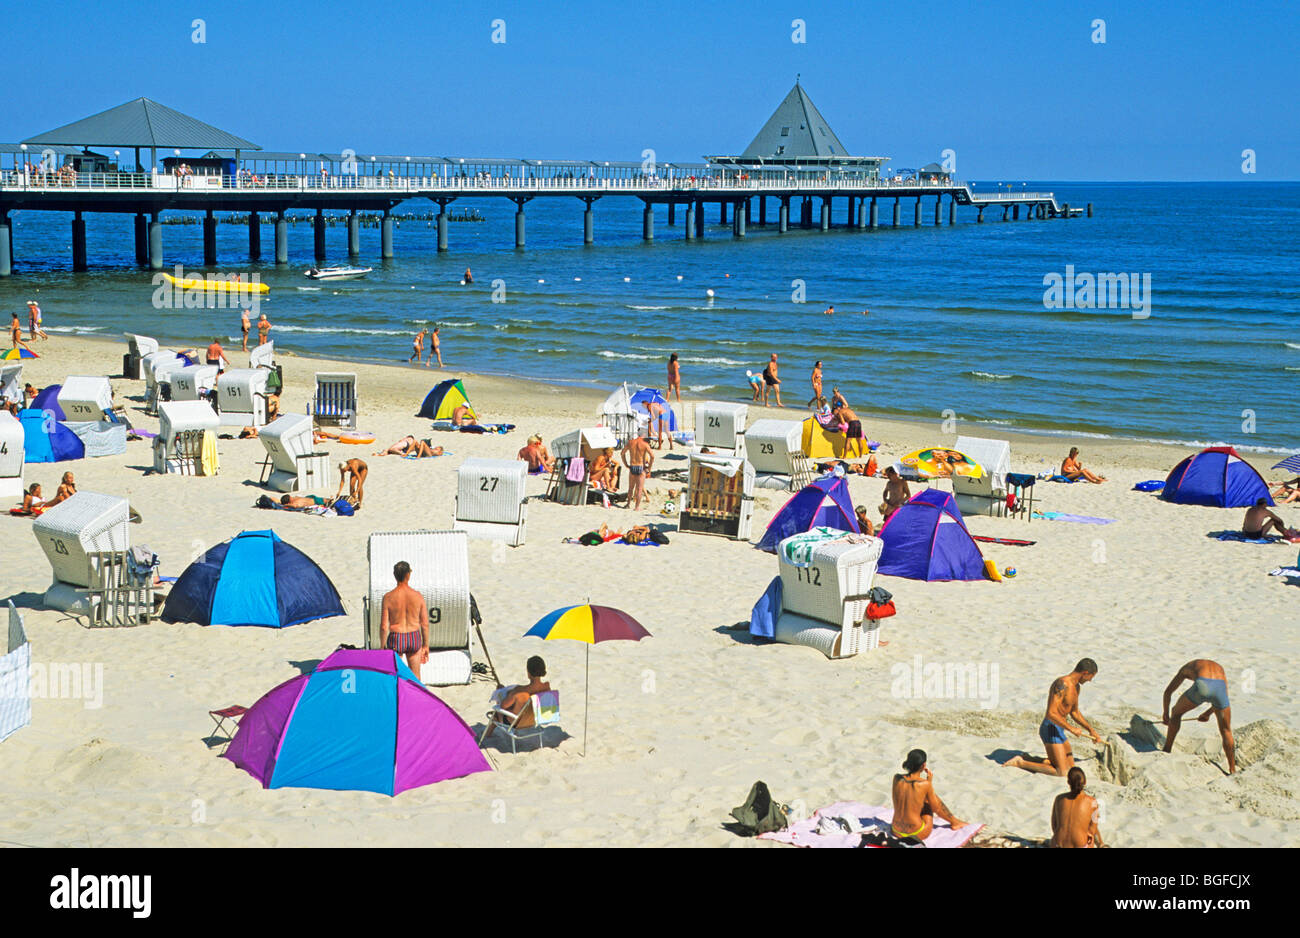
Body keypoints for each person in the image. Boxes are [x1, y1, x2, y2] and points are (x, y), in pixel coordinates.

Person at [1004, 659, 1102, 776]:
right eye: (1091, 677)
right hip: (1050, 728)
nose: (1090, 680)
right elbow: (1051, 713)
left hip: (1059, 729)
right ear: (1085, 673)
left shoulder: (1076, 687)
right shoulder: (1061, 684)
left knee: (1071, 768)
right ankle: (1020, 762)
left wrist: (1091, 730)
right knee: (1062, 772)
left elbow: (1075, 712)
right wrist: (1071, 728)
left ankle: (1030, 758)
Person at [1162, 659, 1235, 774]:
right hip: (1219, 687)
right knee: (1226, 730)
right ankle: (1232, 769)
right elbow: (1222, 697)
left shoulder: (1185, 668)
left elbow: (1168, 692)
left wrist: (1166, 714)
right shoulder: (1219, 668)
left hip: (1202, 685)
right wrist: (1208, 713)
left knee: (1176, 713)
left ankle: (1167, 750)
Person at [890, 749, 967, 843]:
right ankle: (954, 822)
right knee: (929, 801)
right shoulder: (925, 784)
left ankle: (955, 821)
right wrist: (929, 783)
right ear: (923, 765)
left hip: (896, 830)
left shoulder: (896, 778)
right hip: (916, 833)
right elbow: (936, 809)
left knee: (919, 798)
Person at [380, 561, 428, 681]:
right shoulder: (418, 596)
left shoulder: (388, 597)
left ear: (394, 575)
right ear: (408, 575)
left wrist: (382, 646)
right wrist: (426, 645)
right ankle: (415, 698)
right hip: (414, 636)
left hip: (396, 637)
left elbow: (384, 626)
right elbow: (425, 624)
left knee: (395, 676)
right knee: (415, 677)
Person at [484, 656, 551, 738]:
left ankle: (487, 736)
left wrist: (501, 693)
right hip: (534, 720)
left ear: (528, 673)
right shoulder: (546, 688)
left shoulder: (519, 691)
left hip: (516, 723)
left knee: (496, 714)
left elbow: (503, 706)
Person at [1050, 767, 1105, 847]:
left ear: (1068, 782)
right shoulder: (1092, 802)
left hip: (1058, 844)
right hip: (1080, 845)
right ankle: (1101, 845)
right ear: (1085, 782)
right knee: (1090, 835)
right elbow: (1092, 831)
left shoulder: (1059, 799)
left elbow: (1054, 826)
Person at [622, 432, 654, 511]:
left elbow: (622, 453)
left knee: (630, 488)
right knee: (639, 489)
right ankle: (637, 507)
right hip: (641, 467)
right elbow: (652, 456)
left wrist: (626, 464)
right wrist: (649, 467)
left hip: (632, 466)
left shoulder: (631, 442)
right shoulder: (645, 444)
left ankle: (628, 504)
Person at [374, 435, 443, 458]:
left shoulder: (408, 440)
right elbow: (417, 442)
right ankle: (383, 453)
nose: (435, 449)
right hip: (410, 448)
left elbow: (422, 442)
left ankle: (383, 453)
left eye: (437, 449)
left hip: (409, 447)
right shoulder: (410, 441)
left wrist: (418, 456)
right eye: (436, 448)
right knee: (391, 449)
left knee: (391, 449)